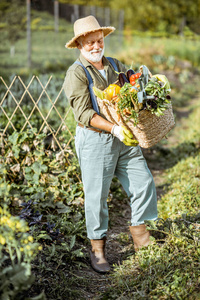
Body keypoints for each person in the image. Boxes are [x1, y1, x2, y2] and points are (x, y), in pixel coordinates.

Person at [63, 15, 157, 273]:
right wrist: (113, 127)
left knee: (144, 181)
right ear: (80, 45)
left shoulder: (115, 65)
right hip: (95, 140)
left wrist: (148, 92)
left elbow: (133, 86)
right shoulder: (77, 73)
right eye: (90, 42)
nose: (96, 46)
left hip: (124, 137)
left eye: (99, 40)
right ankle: (98, 249)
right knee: (96, 197)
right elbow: (83, 114)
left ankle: (139, 232)